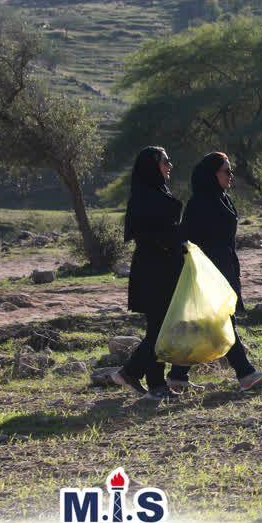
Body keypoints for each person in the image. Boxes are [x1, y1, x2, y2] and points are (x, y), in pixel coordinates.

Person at [166, 153, 262, 393]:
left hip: (224, 266)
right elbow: (187, 239)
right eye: (226, 171)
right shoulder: (200, 202)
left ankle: (177, 376)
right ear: (213, 174)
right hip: (207, 270)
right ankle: (244, 373)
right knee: (223, 318)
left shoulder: (223, 198)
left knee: (203, 322)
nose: (230, 175)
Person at [108, 147, 184, 401]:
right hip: (154, 270)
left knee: (162, 328)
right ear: (152, 166)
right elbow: (148, 234)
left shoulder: (158, 193)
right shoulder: (144, 198)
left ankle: (153, 382)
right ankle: (136, 374)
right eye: (165, 161)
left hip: (166, 267)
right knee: (160, 329)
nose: (170, 165)